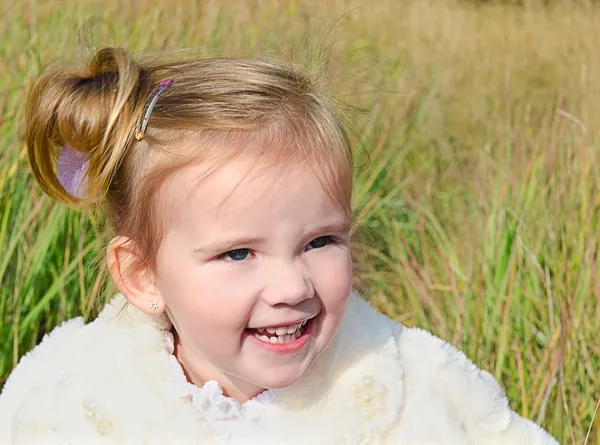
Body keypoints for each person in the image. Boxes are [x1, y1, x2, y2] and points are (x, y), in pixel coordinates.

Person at [0, 47, 559, 445]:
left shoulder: (415, 390)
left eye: (321, 240)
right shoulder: (67, 400)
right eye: (238, 253)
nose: (294, 286)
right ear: (143, 274)